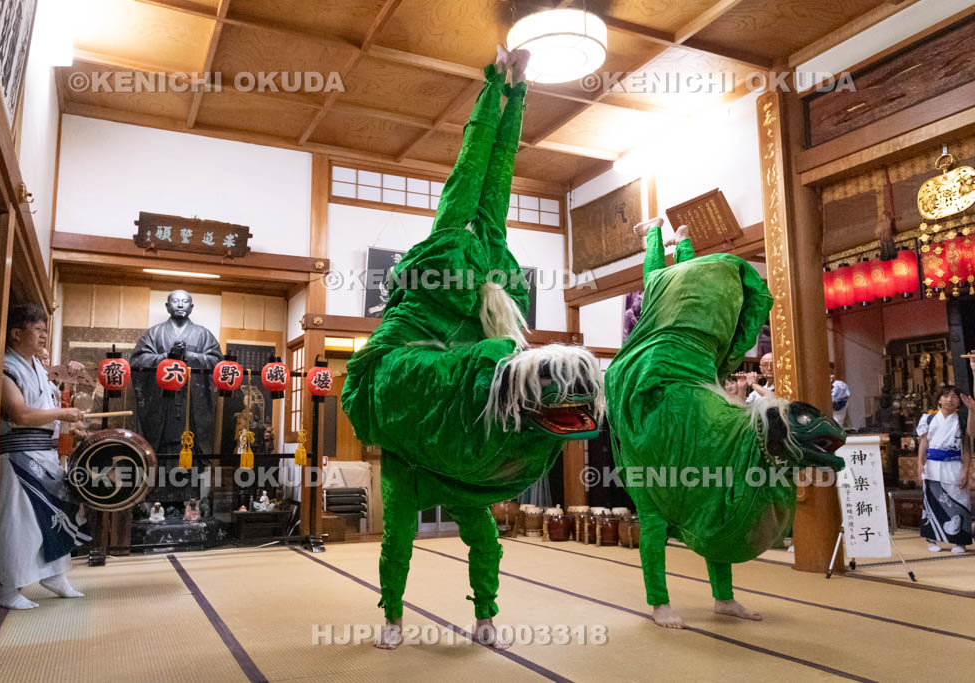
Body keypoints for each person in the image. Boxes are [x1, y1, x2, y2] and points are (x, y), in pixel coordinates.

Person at [341, 46, 603, 650]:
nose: (476, 229)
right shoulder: (440, 268)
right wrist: (495, 88)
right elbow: (470, 171)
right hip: (416, 428)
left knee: (482, 533)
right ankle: (392, 616)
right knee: (399, 531)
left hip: (463, 433)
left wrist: (519, 91)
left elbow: (498, 176)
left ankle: (486, 612)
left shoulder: (487, 266)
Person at [604, 219, 846, 629]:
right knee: (654, 519)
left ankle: (723, 598)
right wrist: (668, 243)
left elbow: (658, 282)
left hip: (691, 394)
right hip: (657, 420)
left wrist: (673, 244)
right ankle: (659, 602)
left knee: (717, 502)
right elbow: (660, 284)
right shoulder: (661, 335)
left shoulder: (687, 330)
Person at [0, 304, 90, 609]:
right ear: (16, 334)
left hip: (44, 453)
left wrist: (71, 423)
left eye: (46, 330)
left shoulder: (35, 366)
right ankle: (8, 588)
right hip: (19, 454)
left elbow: (47, 410)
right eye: (39, 330)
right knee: (20, 521)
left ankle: (55, 575)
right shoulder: (7, 367)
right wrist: (63, 412)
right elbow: (20, 414)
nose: (44, 337)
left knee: (58, 514)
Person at [129, 290, 221, 456]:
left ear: (191, 307)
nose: (180, 305)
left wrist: (190, 356)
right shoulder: (154, 333)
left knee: (191, 446)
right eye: (175, 301)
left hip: (193, 403)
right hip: (162, 403)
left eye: (185, 301)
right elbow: (137, 361)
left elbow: (218, 364)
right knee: (163, 448)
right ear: (167, 306)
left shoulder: (203, 335)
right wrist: (166, 357)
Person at [917, 381, 973, 553]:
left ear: (959, 401)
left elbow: (967, 445)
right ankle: (932, 539)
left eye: (954, 396)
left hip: (954, 465)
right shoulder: (929, 418)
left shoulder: (963, 420)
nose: (950, 400)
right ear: (939, 400)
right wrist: (920, 464)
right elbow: (923, 443)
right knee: (932, 503)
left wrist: (966, 470)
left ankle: (960, 541)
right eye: (946, 396)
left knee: (959, 500)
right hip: (933, 465)